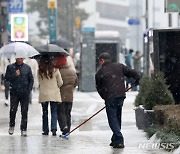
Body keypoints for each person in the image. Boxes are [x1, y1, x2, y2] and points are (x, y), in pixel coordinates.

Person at [95, 52, 140, 148]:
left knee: (112, 119)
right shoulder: (119, 66)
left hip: (110, 97)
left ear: (102, 60)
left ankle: (119, 139)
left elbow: (99, 88)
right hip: (120, 95)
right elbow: (131, 72)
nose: (99, 63)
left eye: (99, 61)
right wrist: (137, 78)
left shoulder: (100, 72)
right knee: (117, 116)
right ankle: (115, 139)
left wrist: (105, 97)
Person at [5, 57, 34, 137]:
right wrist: (14, 75)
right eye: (18, 58)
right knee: (13, 110)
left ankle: (24, 129)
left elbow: (31, 79)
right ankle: (12, 125)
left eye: (21, 58)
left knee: (24, 111)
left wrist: (29, 89)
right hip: (14, 92)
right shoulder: (10, 67)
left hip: (24, 93)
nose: (19, 60)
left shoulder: (27, 68)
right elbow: (7, 79)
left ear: (23, 59)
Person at [38, 55, 63, 136]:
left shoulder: (40, 71)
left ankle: (45, 130)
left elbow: (38, 82)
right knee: (54, 111)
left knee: (45, 113)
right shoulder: (56, 70)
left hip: (44, 94)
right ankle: (54, 129)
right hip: (54, 94)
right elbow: (60, 83)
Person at [55, 55, 78, 139]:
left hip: (60, 95)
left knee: (61, 113)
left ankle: (64, 128)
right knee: (68, 113)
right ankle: (68, 130)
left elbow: (57, 83)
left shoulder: (58, 71)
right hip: (70, 96)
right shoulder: (72, 71)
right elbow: (76, 82)